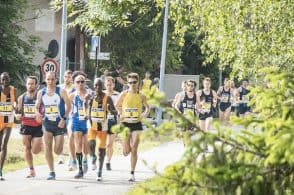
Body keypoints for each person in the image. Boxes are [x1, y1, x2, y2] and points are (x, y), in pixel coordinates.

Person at [35, 71, 71, 180]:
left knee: (57, 150)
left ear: (56, 80)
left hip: (59, 123)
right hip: (47, 123)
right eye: (48, 79)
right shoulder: (41, 92)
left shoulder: (62, 91)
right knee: (47, 147)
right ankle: (51, 171)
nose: (50, 82)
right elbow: (36, 106)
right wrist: (38, 113)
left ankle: (60, 151)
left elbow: (69, 107)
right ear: (45, 80)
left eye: (52, 79)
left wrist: (64, 119)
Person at [115, 73, 149, 182]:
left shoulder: (141, 95)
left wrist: (144, 114)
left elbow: (147, 108)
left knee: (134, 148)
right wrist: (120, 113)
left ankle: (132, 173)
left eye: (134, 82)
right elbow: (116, 105)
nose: (132, 84)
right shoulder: (124, 94)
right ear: (127, 83)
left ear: (138, 82)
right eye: (130, 82)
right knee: (126, 151)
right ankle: (124, 145)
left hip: (137, 123)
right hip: (126, 123)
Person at [88, 78, 116, 181]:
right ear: (93, 86)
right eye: (96, 85)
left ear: (102, 86)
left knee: (101, 150)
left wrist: (111, 110)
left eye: (99, 85)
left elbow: (114, 111)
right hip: (92, 126)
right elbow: (88, 109)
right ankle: (93, 157)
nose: (97, 87)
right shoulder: (91, 97)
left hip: (103, 127)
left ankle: (99, 171)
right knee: (91, 144)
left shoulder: (107, 98)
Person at [16, 76, 43, 178]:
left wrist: (41, 116)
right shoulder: (21, 98)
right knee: (27, 148)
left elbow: (45, 110)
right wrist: (17, 115)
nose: (30, 85)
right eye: (28, 83)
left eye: (32, 83)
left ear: (36, 85)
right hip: (25, 125)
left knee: (35, 151)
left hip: (37, 126)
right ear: (26, 85)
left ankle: (41, 145)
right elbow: (18, 112)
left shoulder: (39, 97)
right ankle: (31, 170)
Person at [69, 71, 91, 179]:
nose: (80, 84)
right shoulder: (72, 96)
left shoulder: (90, 94)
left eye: (82, 81)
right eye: (78, 82)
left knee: (86, 145)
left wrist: (89, 114)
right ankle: (80, 168)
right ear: (74, 83)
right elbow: (65, 107)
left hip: (87, 122)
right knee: (78, 144)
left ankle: (86, 158)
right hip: (76, 121)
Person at [0, 72, 17, 181]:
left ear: (9, 79)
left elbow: (15, 103)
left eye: (6, 79)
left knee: (4, 144)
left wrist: (16, 109)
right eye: (3, 79)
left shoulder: (13, 90)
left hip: (8, 120)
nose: (5, 81)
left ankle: (0, 171)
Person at [58, 70, 75, 167]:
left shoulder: (74, 89)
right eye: (65, 76)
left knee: (70, 137)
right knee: (59, 136)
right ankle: (60, 157)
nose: (67, 78)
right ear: (63, 77)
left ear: (71, 78)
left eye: (69, 77)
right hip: (60, 115)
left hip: (70, 115)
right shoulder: (59, 88)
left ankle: (70, 158)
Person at [174, 80, 197, 145]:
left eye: (192, 86)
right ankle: (185, 143)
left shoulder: (195, 95)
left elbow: (198, 106)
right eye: (188, 85)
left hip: (192, 117)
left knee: (189, 133)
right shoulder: (180, 95)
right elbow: (175, 105)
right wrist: (180, 113)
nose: (190, 87)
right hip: (183, 116)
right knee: (184, 132)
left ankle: (187, 144)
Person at [103, 76, 119, 171]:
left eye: (111, 84)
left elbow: (120, 107)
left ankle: (108, 161)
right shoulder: (101, 94)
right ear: (105, 85)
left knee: (109, 144)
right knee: (103, 143)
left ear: (114, 84)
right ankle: (101, 158)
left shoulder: (117, 95)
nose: (109, 86)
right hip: (103, 121)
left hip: (113, 121)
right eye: (107, 84)